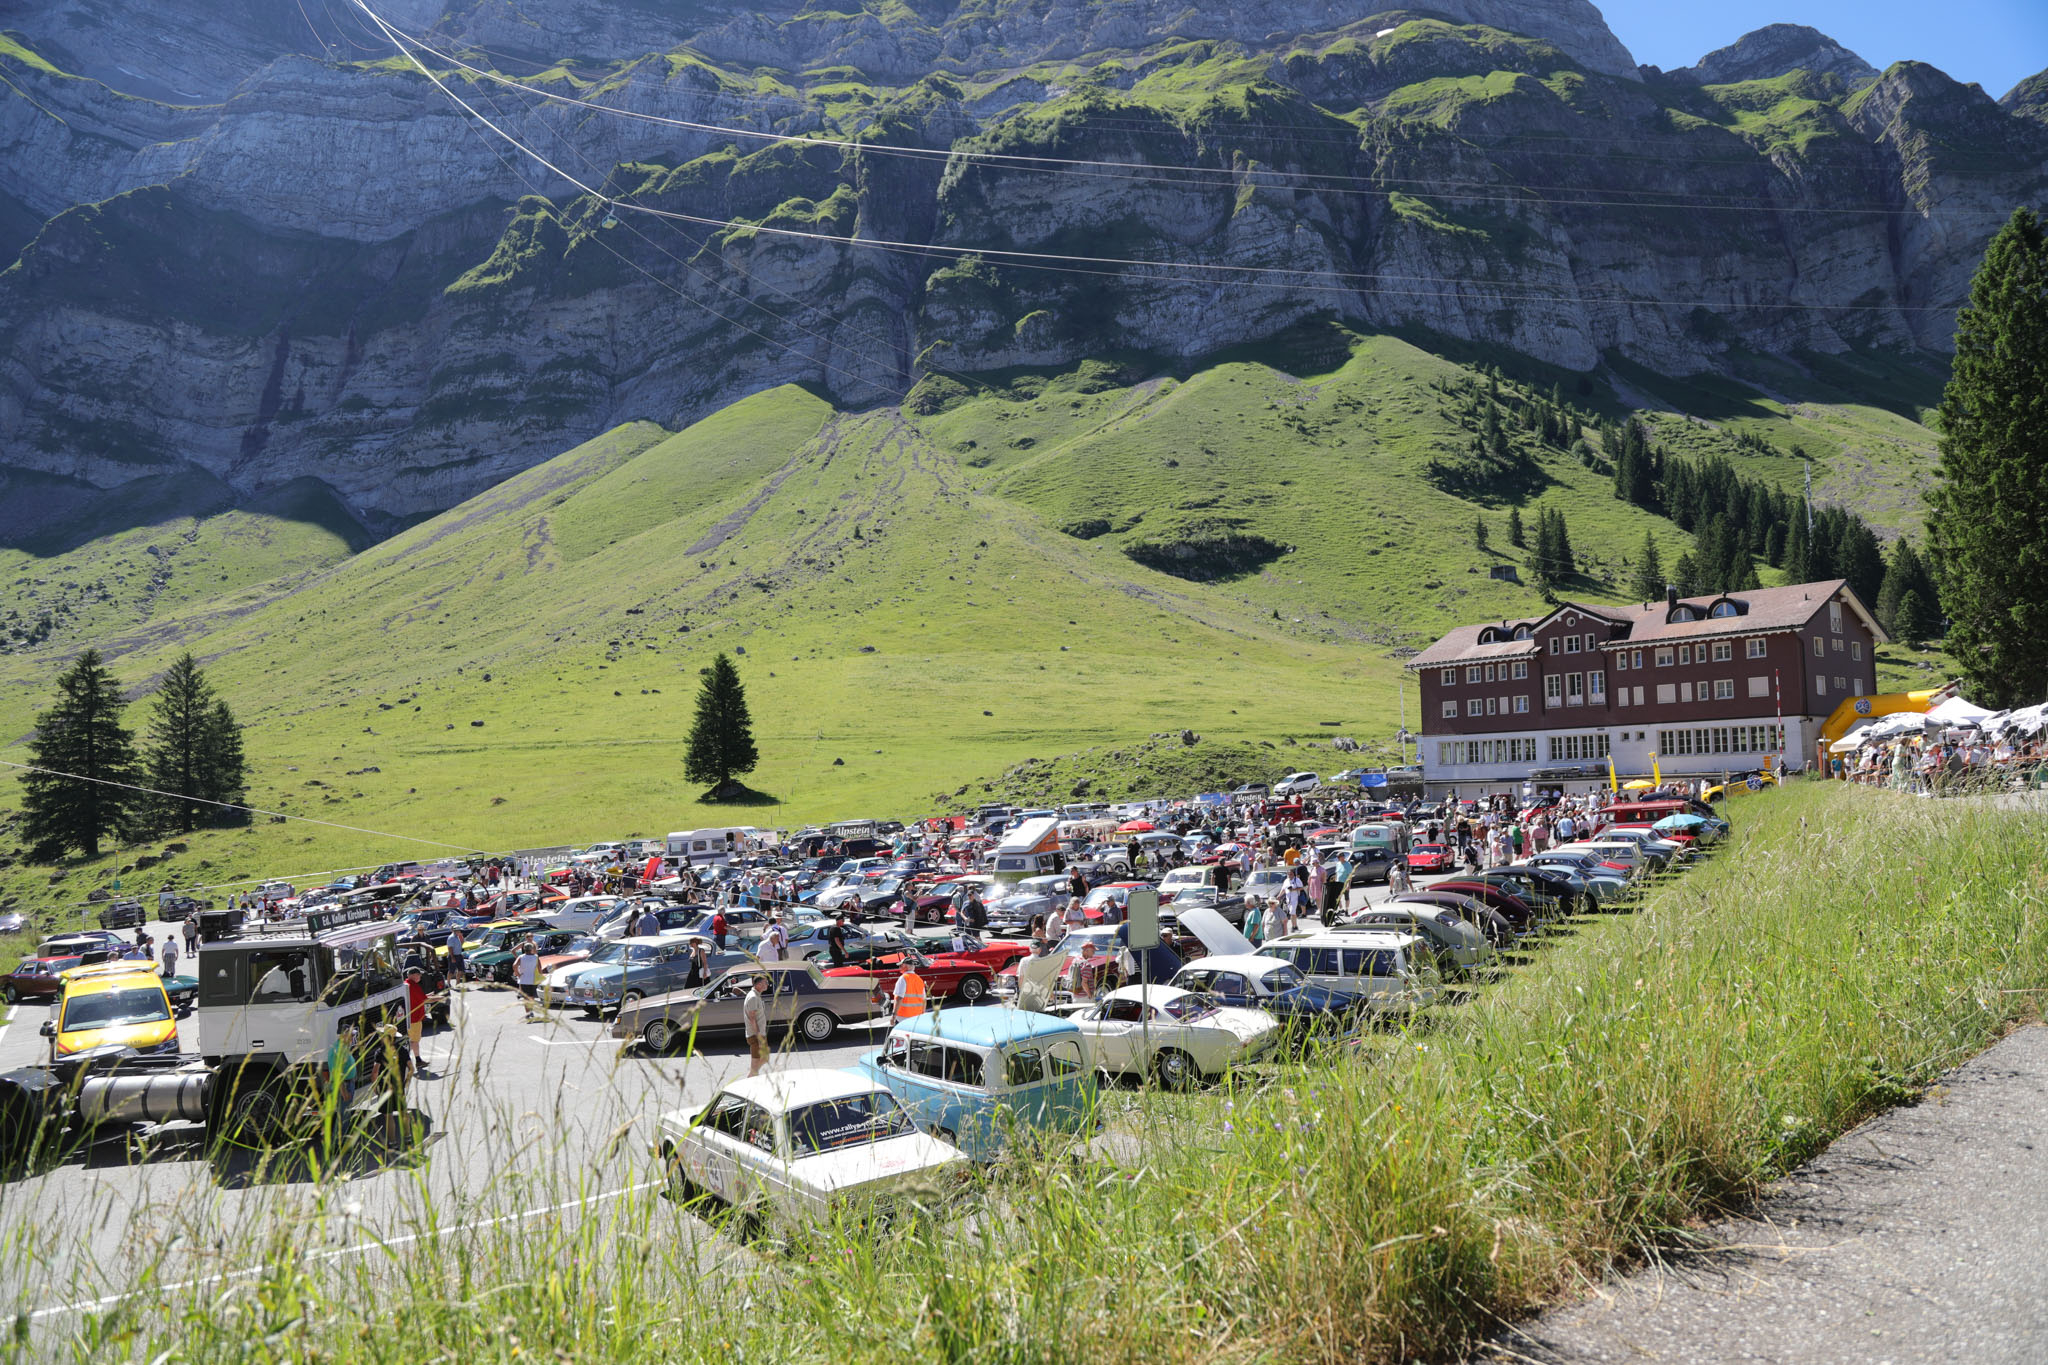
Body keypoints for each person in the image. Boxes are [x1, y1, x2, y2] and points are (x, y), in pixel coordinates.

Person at [403, 966, 436, 1074]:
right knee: (414, 1041)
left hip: (411, 1018)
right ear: (413, 975)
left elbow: (420, 997)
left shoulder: (407, 984)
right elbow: (425, 1000)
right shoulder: (412, 986)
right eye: (419, 975)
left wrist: (428, 995)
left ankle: (415, 1061)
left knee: (412, 1041)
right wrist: (440, 998)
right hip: (414, 1019)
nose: (420, 977)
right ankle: (417, 1061)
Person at [743, 972, 772, 1077]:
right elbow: (752, 1018)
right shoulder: (753, 997)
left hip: (759, 1034)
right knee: (761, 1059)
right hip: (755, 1035)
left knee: (764, 1058)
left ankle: (753, 1075)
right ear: (759, 984)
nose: (767, 984)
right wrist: (758, 1036)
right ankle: (751, 1076)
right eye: (766, 982)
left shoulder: (755, 995)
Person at [512, 940, 541, 1021]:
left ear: (524, 949)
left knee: (526, 997)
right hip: (533, 980)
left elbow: (514, 965)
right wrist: (540, 976)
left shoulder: (521, 957)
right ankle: (531, 1011)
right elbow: (539, 968)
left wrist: (518, 974)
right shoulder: (536, 957)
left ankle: (528, 1013)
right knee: (531, 996)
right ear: (532, 949)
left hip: (524, 980)